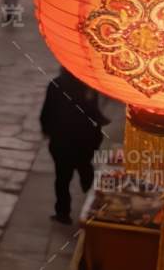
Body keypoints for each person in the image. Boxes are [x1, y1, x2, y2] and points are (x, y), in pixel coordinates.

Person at [40, 67, 109, 223]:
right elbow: (93, 112)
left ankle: (63, 213)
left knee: (62, 178)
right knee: (85, 169)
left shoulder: (57, 84)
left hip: (62, 139)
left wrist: (46, 129)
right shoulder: (88, 84)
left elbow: (48, 110)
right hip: (84, 139)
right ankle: (97, 204)